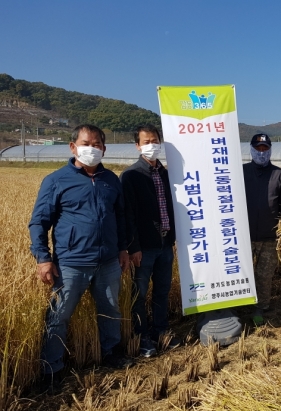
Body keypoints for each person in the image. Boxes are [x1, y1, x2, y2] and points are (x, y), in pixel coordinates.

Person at [29, 124, 133, 392]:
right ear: (73, 147)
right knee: (59, 316)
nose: (92, 148)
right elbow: (39, 222)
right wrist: (43, 258)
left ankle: (111, 353)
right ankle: (51, 370)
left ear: (104, 149)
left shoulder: (111, 180)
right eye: (86, 143)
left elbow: (119, 218)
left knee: (110, 310)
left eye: (97, 144)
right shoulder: (56, 181)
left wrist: (122, 249)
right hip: (70, 263)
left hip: (108, 261)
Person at [120, 124, 179, 357]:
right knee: (140, 294)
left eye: (154, 141)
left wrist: (173, 239)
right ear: (137, 146)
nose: (151, 145)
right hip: (143, 248)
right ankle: (142, 336)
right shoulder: (131, 176)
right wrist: (133, 247)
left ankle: (161, 331)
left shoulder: (167, 173)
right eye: (146, 142)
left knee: (162, 291)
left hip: (165, 244)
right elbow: (128, 215)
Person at [243, 133, 281, 326]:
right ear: (251, 149)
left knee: (264, 274)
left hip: (270, 236)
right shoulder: (240, 172)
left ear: (270, 150)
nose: (262, 152)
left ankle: (261, 307)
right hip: (243, 236)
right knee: (242, 273)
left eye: (265, 149)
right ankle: (240, 305)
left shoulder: (279, 174)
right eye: (258, 148)